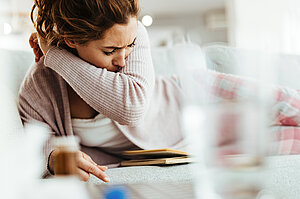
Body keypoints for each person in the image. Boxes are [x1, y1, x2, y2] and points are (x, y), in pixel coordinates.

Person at [19, 0, 300, 182]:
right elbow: (39, 141)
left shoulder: (135, 33)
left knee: (290, 104)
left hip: (194, 96)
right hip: (183, 148)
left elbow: (131, 106)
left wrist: (53, 55)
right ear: (71, 41)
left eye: (128, 46)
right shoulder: (39, 87)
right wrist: (53, 157)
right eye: (110, 50)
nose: (122, 59)